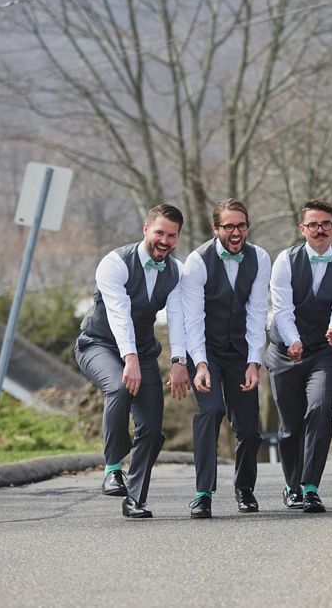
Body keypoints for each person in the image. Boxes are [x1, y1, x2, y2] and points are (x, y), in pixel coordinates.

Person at [75, 204, 191, 519]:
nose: (164, 241)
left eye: (172, 235)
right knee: (119, 387)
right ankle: (113, 468)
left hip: (143, 350)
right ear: (145, 230)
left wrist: (180, 360)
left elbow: (178, 317)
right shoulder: (115, 263)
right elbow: (118, 314)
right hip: (98, 344)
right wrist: (130, 358)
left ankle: (135, 498)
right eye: (159, 233)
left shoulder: (177, 271)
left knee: (152, 428)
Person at [265, 199, 332, 513]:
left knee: (319, 410)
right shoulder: (285, 261)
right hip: (284, 353)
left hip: (322, 353)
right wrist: (292, 340)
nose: (320, 230)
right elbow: (282, 309)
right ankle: (292, 487)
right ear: (302, 229)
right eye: (313, 225)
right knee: (291, 425)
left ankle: (310, 486)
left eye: (326, 224)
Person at [182, 199, 271, 518]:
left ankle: (244, 488)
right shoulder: (197, 261)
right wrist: (201, 365)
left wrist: (253, 362)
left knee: (249, 428)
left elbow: (257, 311)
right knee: (211, 411)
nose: (236, 232)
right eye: (229, 226)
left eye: (242, 225)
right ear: (216, 228)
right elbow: (192, 318)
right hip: (204, 349)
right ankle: (203, 492)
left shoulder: (259, 258)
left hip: (240, 351)